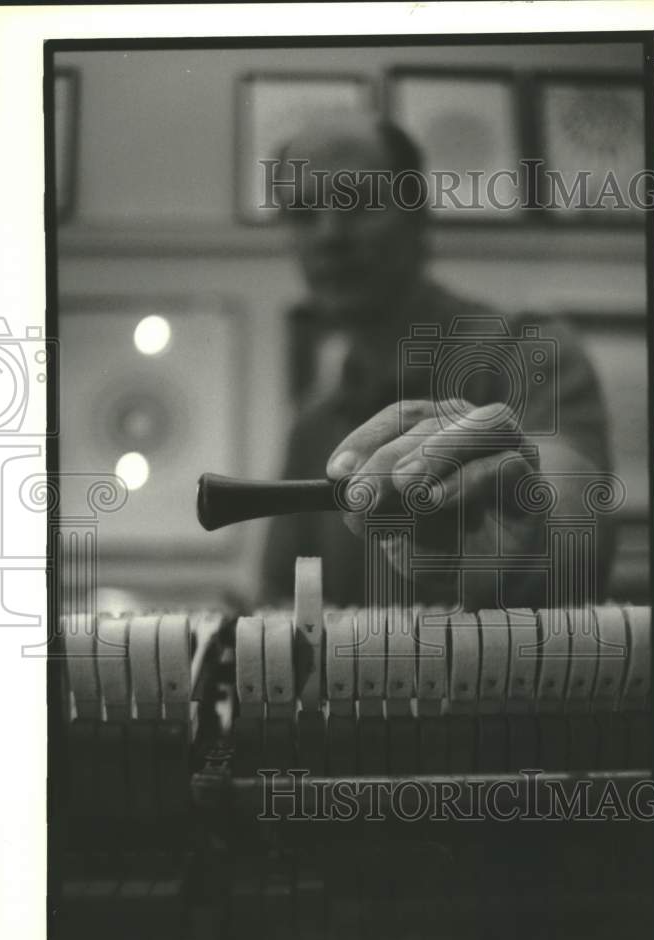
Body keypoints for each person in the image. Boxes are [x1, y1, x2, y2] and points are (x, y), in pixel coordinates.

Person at [260, 112, 614, 610]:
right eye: (302, 214)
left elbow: (573, 525)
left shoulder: (529, 352)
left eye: (357, 202)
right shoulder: (314, 422)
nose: (328, 234)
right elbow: (280, 596)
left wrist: (514, 537)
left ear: (418, 215)